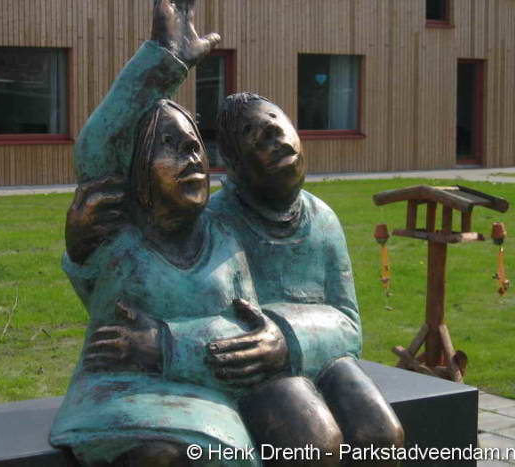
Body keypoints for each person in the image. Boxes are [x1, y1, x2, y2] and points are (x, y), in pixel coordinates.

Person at [53, 2, 345, 466]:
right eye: (170, 147)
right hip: (127, 393)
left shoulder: (223, 236)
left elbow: (242, 327)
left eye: (195, 147)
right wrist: (163, 60)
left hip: (206, 388)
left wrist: (171, 345)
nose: (190, 158)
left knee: (312, 440)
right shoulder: (119, 229)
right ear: (138, 171)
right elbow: (97, 146)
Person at [208, 92, 404, 464]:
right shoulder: (215, 224)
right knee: (313, 445)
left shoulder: (322, 219)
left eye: (276, 124)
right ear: (233, 165)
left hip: (323, 356)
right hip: (255, 371)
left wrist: (288, 338)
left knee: (381, 434)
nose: (272, 137)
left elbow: (350, 326)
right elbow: (219, 322)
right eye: (252, 134)